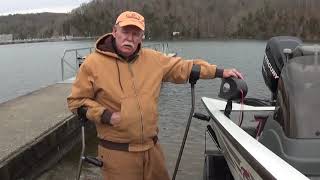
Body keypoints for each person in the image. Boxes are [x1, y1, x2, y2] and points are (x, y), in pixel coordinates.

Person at [67, 10, 243, 180]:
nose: (130, 38)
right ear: (114, 32)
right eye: (125, 32)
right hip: (117, 152)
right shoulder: (92, 64)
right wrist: (105, 115)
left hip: (152, 149)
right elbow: (76, 102)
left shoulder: (153, 59)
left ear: (142, 37)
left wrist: (220, 72)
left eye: (136, 34)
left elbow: (185, 67)